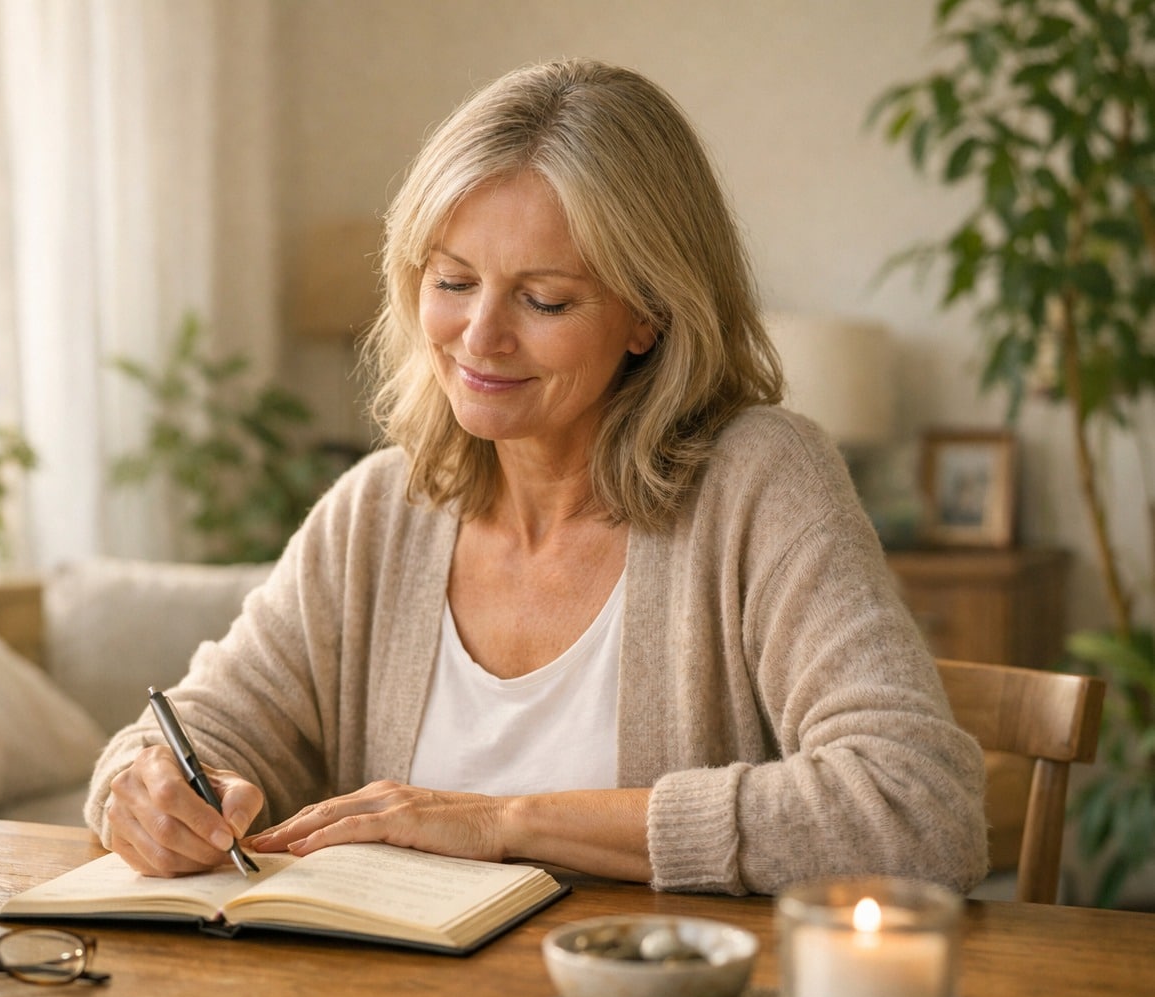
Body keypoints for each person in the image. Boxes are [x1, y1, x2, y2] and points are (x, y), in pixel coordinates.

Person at [86, 58, 988, 896]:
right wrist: (145, 790)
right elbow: (194, 732)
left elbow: (917, 809)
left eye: (545, 299)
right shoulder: (376, 512)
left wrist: (503, 824)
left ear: (650, 314)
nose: (480, 337)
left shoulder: (759, 483)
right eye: (452, 281)